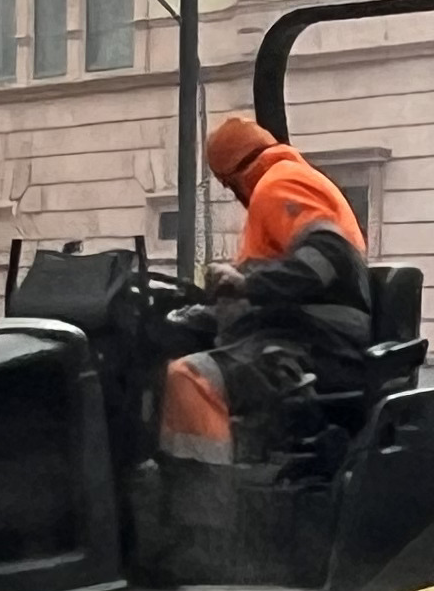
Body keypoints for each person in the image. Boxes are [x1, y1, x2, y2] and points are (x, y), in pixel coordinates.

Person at [156, 116, 380, 499]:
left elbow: (330, 256)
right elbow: (277, 284)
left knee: (190, 379)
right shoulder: (291, 181)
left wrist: (246, 281)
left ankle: (206, 518)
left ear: (235, 175)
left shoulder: (277, 184)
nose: (234, 195)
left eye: (228, 186)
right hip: (300, 335)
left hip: (312, 344)